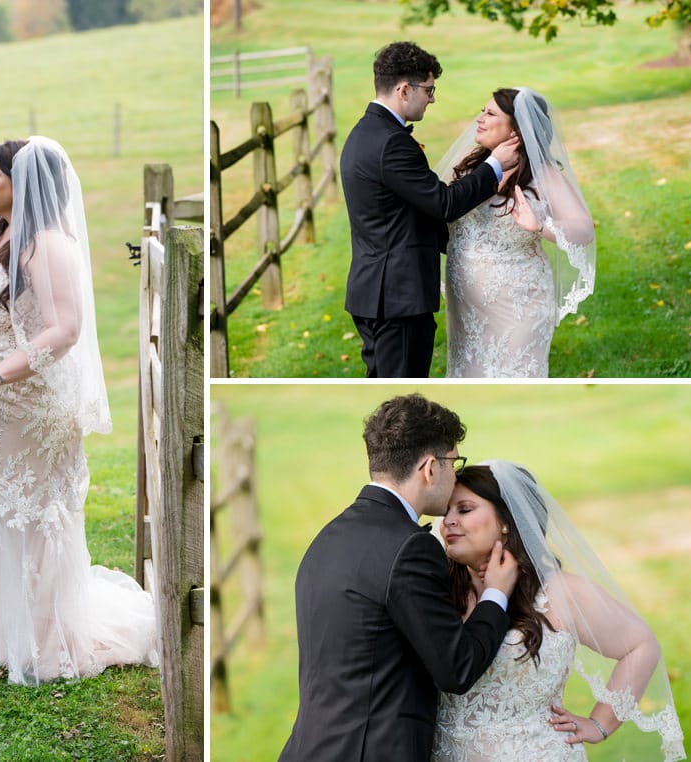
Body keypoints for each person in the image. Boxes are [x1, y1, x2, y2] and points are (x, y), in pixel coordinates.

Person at [0, 137, 159, 686]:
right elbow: (8, 312)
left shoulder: (48, 242)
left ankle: (50, 644)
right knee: (0, 510)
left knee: (34, 520)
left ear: (22, 184)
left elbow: (64, 331)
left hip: (27, 404)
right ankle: (10, 632)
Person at [279, 393, 519, 761]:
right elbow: (458, 667)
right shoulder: (411, 549)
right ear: (429, 468)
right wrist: (496, 595)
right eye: (454, 464)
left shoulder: (326, 538)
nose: (454, 477)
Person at [432, 461, 685, 760]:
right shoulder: (436, 592)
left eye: (464, 509)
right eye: (445, 511)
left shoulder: (560, 593)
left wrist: (599, 723)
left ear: (506, 520)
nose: (447, 521)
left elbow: (641, 645)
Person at [340, 42, 520, 378]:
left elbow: (407, 211)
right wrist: (495, 165)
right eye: (429, 89)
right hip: (398, 298)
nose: (432, 98)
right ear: (404, 89)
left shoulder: (365, 132)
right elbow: (443, 203)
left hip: (377, 293)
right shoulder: (391, 142)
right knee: (401, 388)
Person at [435, 88, 596, 377]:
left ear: (516, 132)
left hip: (517, 304)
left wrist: (540, 227)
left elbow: (584, 230)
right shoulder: (472, 167)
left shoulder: (542, 174)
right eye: (482, 110)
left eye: (490, 114)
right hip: (466, 308)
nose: (479, 119)